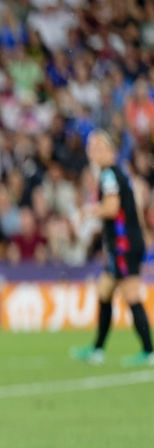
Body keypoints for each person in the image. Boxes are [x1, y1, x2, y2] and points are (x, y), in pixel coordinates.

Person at [71, 130, 153, 367]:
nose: (91, 151)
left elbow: (110, 208)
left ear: (108, 150)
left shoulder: (108, 175)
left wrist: (86, 211)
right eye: (89, 147)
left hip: (123, 245)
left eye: (95, 146)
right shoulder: (120, 173)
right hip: (124, 244)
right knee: (104, 291)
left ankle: (149, 351)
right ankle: (97, 349)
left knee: (131, 294)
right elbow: (132, 206)